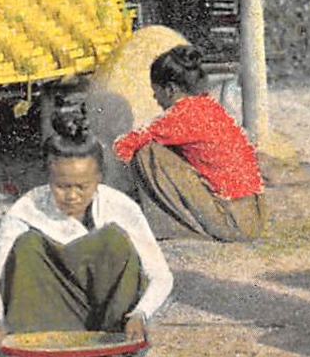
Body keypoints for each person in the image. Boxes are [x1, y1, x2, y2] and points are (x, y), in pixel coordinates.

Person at [0, 126, 174, 357]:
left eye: (82, 186)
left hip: (107, 319)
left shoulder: (121, 207)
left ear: (99, 178)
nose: (72, 196)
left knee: (114, 241)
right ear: (48, 177)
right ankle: (29, 352)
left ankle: (118, 349)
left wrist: (140, 315)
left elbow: (161, 275)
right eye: (62, 186)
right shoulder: (26, 208)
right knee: (26, 245)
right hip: (49, 319)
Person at [112, 44, 265, 242]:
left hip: (234, 222)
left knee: (146, 153)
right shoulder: (208, 106)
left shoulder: (180, 116)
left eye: (155, 91)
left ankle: (165, 227)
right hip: (254, 214)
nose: (154, 98)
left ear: (170, 89)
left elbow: (122, 147)